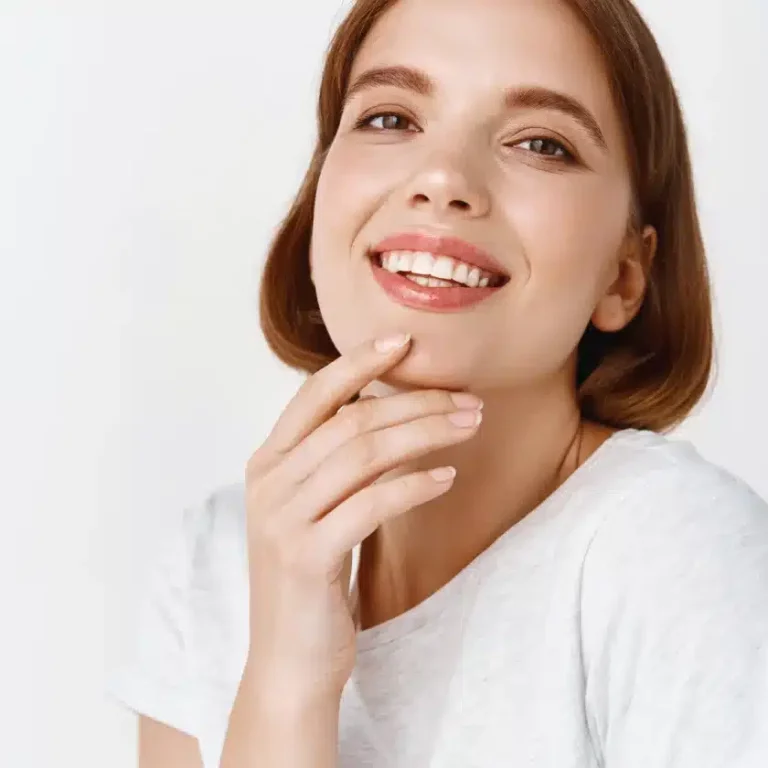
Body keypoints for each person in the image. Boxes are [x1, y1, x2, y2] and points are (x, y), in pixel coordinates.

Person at [108, 0, 768, 765]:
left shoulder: (677, 554)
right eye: (390, 119)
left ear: (625, 276)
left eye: (541, 143)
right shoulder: (217, 563)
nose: (443, 179)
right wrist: (286, 682)